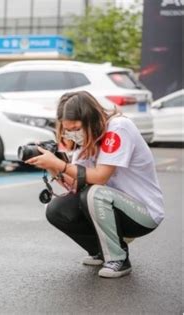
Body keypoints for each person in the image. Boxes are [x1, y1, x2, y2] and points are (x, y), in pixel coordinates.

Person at [25, 91, 164, 278]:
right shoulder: (86, 140)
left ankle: (119, 259)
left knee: (95, 193)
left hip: (143, 213)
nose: (73, 134)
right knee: (56, 208)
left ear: (90, 119)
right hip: (109, 205)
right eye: (68, 130)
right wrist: (51, 165)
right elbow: (75, 186)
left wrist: (61, 164)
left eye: (76, 128)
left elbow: (100, 177)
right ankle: (101, 251)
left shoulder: (118, 128)